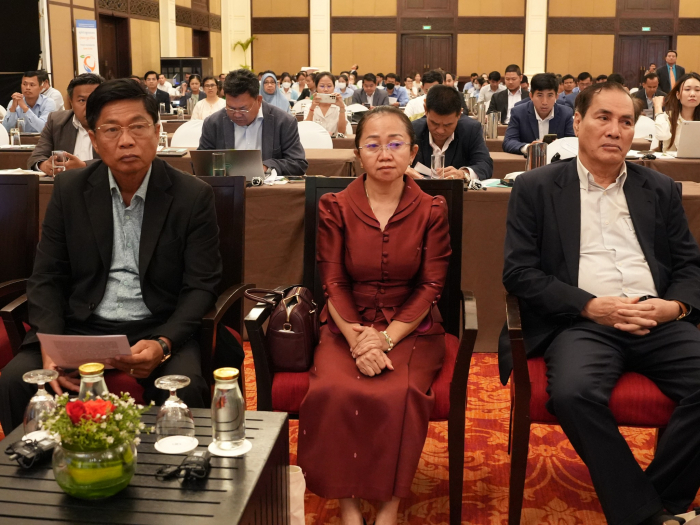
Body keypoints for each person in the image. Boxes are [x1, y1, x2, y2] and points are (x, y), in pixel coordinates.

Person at [500, 80, 700, 525]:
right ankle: (650, 514)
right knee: (573, 393)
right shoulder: (536, 187)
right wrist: (590, 306)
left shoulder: (660, 189)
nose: (614, 130)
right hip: (581, 322)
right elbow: (519, 273)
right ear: (577, 122)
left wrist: (674, 308)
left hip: (657, 319)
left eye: (625, 122)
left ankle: (651, 505)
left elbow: (690, 266)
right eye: (603, 118)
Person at [0, 78, 223, 433]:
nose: (126, 140)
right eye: (111, 129)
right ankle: (36, 466)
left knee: (183, 386)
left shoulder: (192, 195)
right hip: (81, 328)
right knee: (17, 380)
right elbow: (46, 276)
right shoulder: (70, 189)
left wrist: (164, 343)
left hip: (156, 325)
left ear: (158, 132)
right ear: (93, 138)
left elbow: (202, 285)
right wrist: (50, 344)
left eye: (138, 127)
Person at [297, 105, 451, 525]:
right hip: (346, 321)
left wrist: (384, 339)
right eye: (373, 145)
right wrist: (358, 341)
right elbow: (332, 280)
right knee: (332, 389)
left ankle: (389, 507)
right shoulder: (335, 205)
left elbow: (431, 285)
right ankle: (348, 505)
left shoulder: (432, 208)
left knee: (399, 392)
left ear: (413, 152)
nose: (385, 154)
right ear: (357, 153)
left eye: (396, 144)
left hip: (412, 326)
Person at [198, 69, 308, 175]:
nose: (237, 114)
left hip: (268, 187)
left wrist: (266, 167)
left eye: (243, 109)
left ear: (259, 100)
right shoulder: (213, 123)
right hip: (227, 186)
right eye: (231, 108)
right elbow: (200, 165)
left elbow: (298, 163)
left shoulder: (283, 122)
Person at [408, 85, 493, 181]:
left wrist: (463, 173)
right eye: (434, 123)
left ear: (459, 114)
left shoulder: (471, 129)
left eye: (448, 125)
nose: (440, 131)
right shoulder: (412, 129)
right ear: (426, 110)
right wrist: (403, 169)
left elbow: (485, 164)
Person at [28, 73, 104, 174]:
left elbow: (119, 161)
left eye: (94, 100)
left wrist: (84, 166)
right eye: (82, 100)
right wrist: (45, 165)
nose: (89, 106)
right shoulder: (56, 121)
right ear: (71, 102)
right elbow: (36, 158)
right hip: (65, 182)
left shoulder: (115, 124)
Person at [503, 73, 575, 156]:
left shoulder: (566, 113)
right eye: (540, 95)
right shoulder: (518, 112)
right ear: (531, 96)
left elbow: (573, 142)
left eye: (550, 95)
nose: (544, 102)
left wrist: (558, 145)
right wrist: (528, 147)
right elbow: (508, 142)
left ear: (556, 96)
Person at [654, 72, 700, 153]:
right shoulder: (667, 117)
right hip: (670, 161)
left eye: (697, 90)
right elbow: (662, 135)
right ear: (678, 94)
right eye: (687, 89)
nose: (692, 94)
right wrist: (658, 108)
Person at [304, 72, 347, 136]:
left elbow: (341, 131)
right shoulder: (309, 106)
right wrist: (312, 108)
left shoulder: (340, 106)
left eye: (329, 86)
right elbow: (306, 129)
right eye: (322, 86)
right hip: (314, 140)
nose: (326, 89)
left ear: (334, 87)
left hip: (334, 141)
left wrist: (342, 108)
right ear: (316, 87)